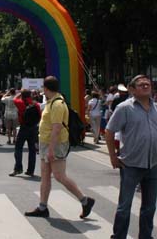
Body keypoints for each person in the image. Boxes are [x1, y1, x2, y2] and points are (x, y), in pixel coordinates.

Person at [25, 76, 95, 218]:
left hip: (55, 145)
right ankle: (42, 207)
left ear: (45, 88)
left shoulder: (57, 104)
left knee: (59, 176)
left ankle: (85, 200)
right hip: (47, 143)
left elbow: (56, 129)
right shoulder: (52, 102)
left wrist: (51, 149)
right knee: (45, 176)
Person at [105, 75, 157, 239]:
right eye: (141, 84)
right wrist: (113, 156)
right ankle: (119, 236)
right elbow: (109, 131)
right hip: (130, 165)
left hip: (153, 164)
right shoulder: (124, 108)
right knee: (124, 206)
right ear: (132, 90)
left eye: (147, 84)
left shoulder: (156, 108)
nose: (145, 86)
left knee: (149, 207)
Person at [10, 89, 40, 177]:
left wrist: (19, 93)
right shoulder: (36, 104)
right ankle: (30, 171)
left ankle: (18, 168)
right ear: (30, 95)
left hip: (24, 128)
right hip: (34, 128)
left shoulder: (20, 103)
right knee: (32, 150)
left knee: (18, 148)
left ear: (22, 95)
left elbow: (14, 99)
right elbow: (39, 116)